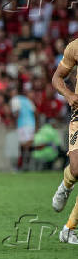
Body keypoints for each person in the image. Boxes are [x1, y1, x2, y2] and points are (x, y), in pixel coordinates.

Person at [51, 38, 78, 244]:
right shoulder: (75, 47)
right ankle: (66, 184)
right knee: (77, 169)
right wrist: (68, 94)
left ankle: (68, 229)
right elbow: (57, 78)